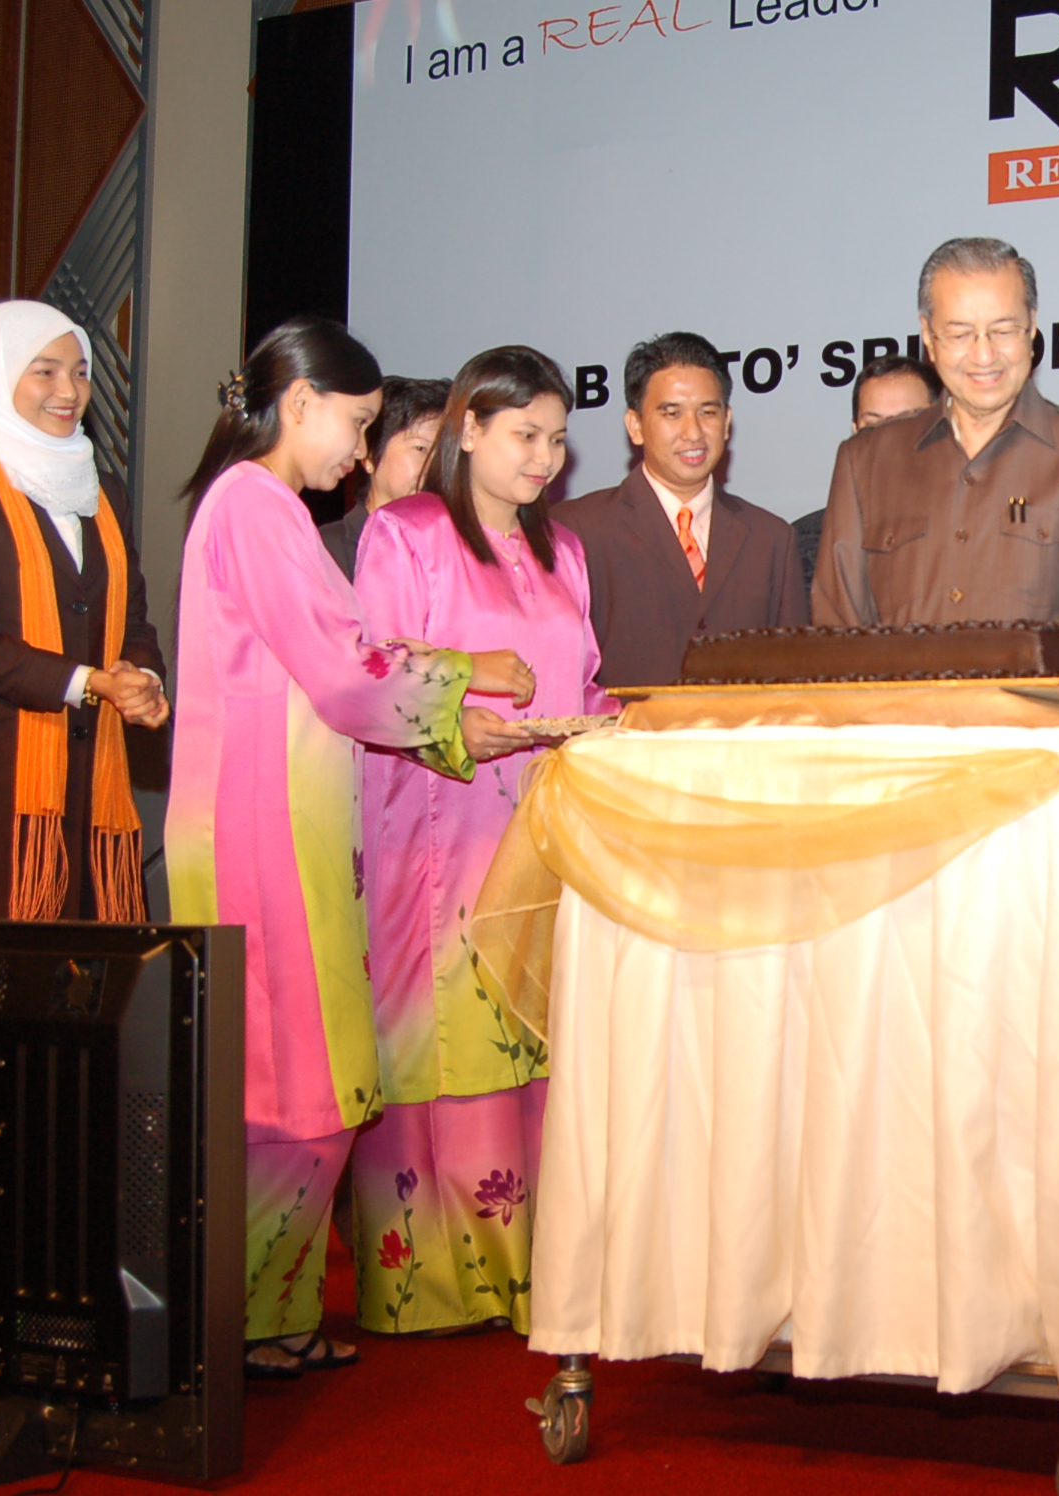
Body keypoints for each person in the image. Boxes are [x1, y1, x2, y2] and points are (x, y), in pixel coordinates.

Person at [162, 316, 532, 1379]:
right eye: (359, 425)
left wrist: (454, 703)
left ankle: (263, 1317)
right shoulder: (252, 504)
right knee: (295, 1082)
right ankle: (237, 1321)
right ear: (298, 402)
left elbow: (348, 658)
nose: (363, 455)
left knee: (302, 1081)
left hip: (289, 816)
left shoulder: (262, 506)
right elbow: (342, 667)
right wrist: (460, 685)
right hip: (256, 826)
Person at [347, 346, 606, 1338]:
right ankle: (439, 1290)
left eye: (557, 439)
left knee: (534, 1041)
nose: (544, 457)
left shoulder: (563, 549)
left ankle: (538, 1273)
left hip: (539, 826)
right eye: (525, 435)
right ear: (468, 430)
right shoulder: (407, 533)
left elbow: (581, 682)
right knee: (453, 1047)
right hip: (438, 824)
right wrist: (459, 718)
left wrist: (625, 725)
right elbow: (371, 671)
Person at [811, 237, 1059, 636]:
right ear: (928, 336)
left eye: (1003, 330)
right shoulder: (864, 461)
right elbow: (838, 637)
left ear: (1032, 326)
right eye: (960, 334)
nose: (984, 356)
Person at [0, 300, 167, 921]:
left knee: (83, 965)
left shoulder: (102, 489)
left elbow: (132, 617)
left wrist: (141, 678)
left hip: (89, 781)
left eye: (81, 372)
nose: (69, 391)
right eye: (45, 371)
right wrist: (87, 682)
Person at [555, 331, 805, 690]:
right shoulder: (577, 531)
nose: (693, 432)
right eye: (672, 414)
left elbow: (793, 682)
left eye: (708, 413)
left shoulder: (772, 539)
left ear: (727, 421)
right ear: (635, 426)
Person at [794, 355, 944, 586]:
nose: (889, 438)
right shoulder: (806, 543)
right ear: (855, 431)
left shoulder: (972, 530)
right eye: (874, 425)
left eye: (909, 422)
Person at [317, 376, 449, 580]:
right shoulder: (325, 550)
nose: (435, 468)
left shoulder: (452, 552)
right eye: (421, 449)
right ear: (369, 455)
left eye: (444, 454)